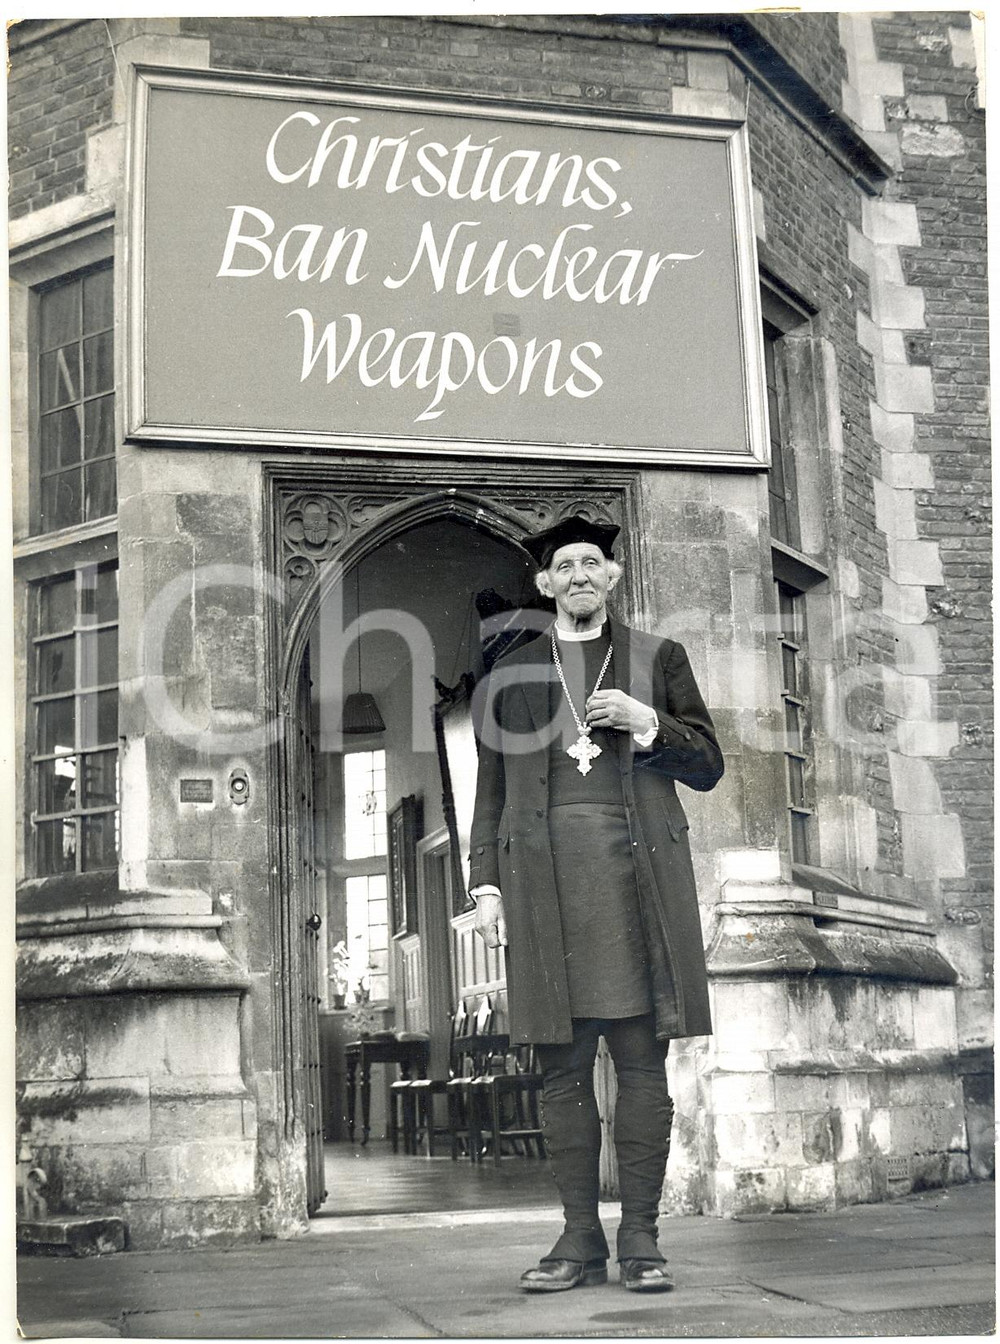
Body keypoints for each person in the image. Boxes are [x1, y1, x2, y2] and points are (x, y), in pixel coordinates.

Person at [468, 515, 723, 1294]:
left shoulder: (657, 658)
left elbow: (708, 764)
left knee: (644, 1063)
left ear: (612, 576)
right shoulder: (509, 673)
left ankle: (641, 1239)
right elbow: (489, 791)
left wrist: (650, 724)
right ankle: (579, 1240)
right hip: (544, 892)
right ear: (544, 583)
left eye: (592, 563)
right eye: (564, 566)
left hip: (638, 888)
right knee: (562, 1070)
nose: (579, 575)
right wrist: (485, 885)